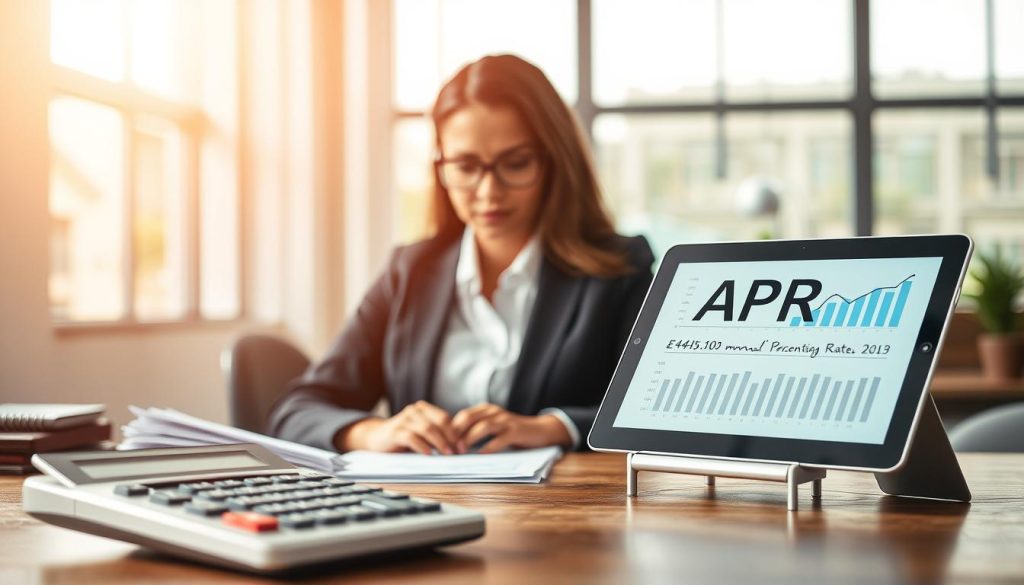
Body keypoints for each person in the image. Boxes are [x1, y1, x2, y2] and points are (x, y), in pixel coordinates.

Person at [268, 54, 653, 454]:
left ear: (555, 162)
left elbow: (660, 410)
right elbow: (295, 412)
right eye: (466, 167)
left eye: (515, 163)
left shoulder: (619, 271)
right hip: (428, 508)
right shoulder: (410, 272)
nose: (488, 191)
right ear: (441, 167)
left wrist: (553, 427)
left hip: (566, 511)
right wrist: (373, 433)